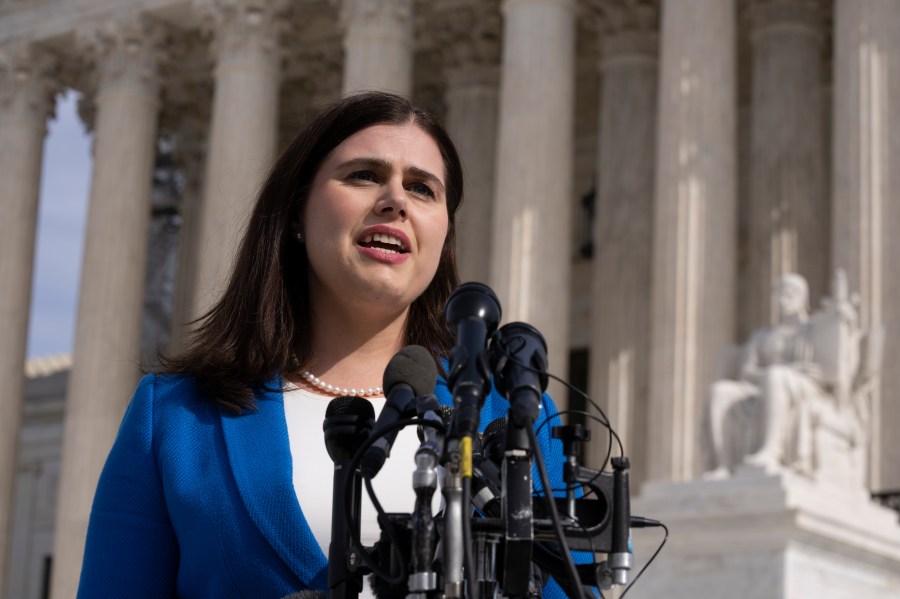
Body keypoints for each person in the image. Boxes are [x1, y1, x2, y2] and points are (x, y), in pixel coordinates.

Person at [76, 91, 574, 598]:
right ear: (296, 213)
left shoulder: (515, 418)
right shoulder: (178, 419)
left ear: (444, 234)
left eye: (423, 189)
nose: (396, 201)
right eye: (364, 175)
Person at [706, 273, 824, 477]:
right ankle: (723, 465)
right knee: (719, 391)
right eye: (780, 294)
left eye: (790, 294)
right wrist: (766, 376)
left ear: (803, 297)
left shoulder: (813, 331)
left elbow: (823, 370)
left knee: (776, 376)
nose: (784, 299)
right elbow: (746, 371)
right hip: (761, 385)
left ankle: (772, 451)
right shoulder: (762, 336)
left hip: (804, 387)